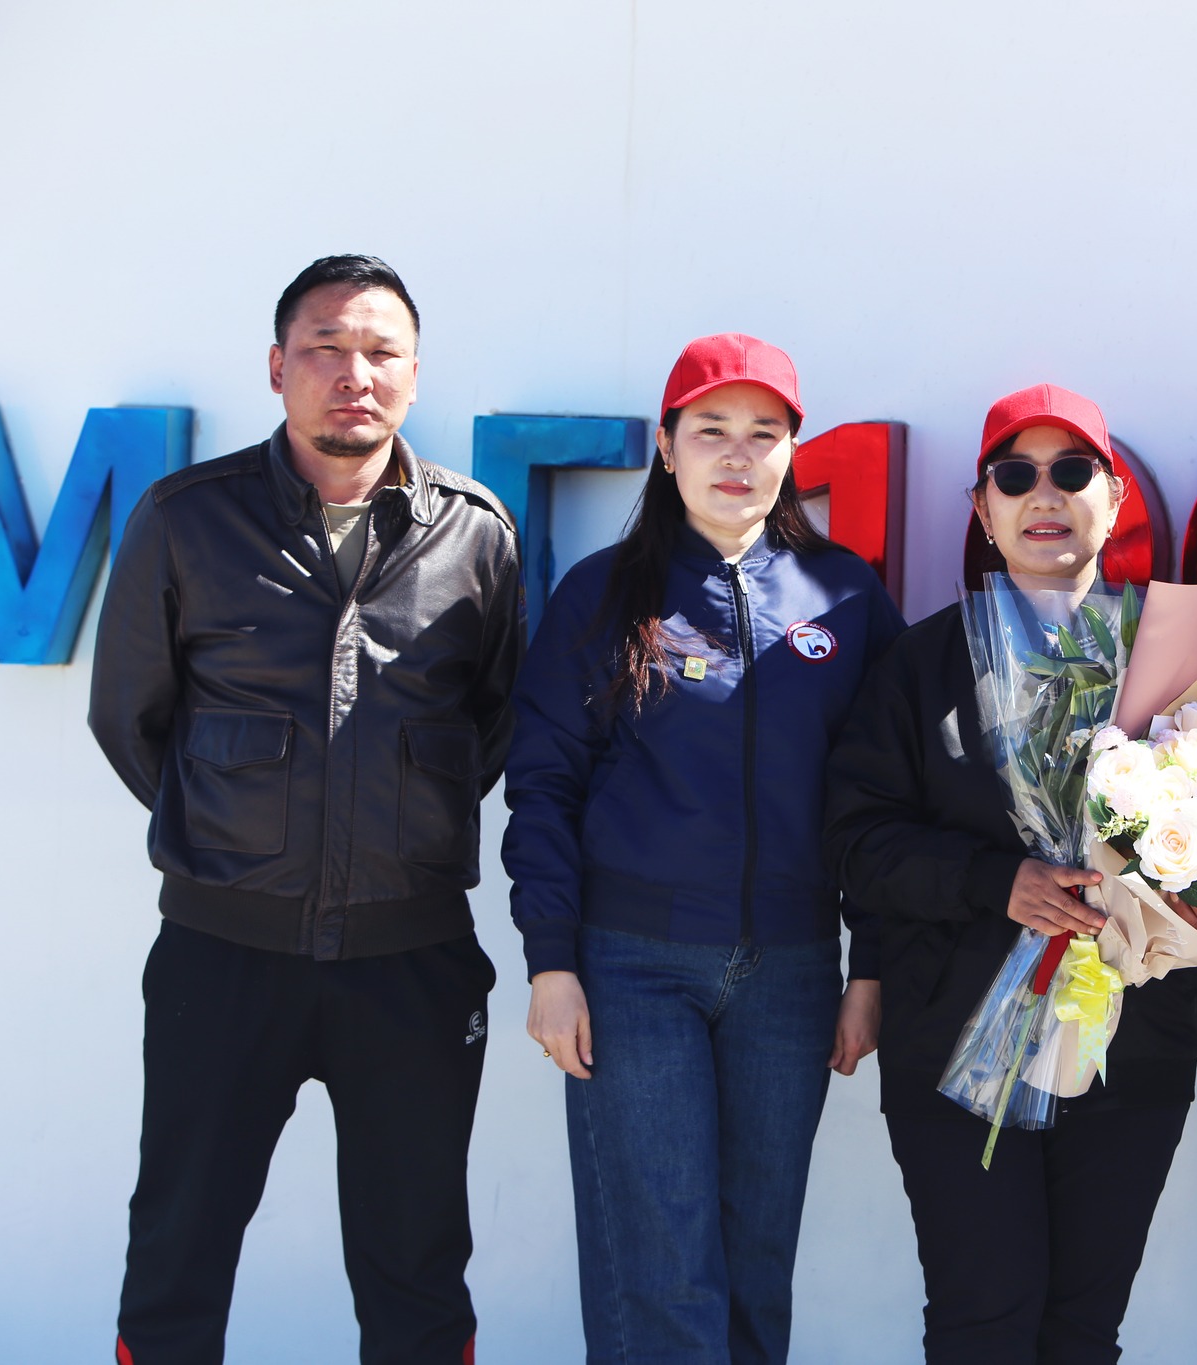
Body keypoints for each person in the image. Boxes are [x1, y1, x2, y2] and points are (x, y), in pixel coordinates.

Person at [88, 255, 521, 1364]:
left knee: (417, 1261)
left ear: (414, 374)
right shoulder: (186, 519)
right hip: (223, 954)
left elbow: (491, 725)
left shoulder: (476, 532)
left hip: (411, 959)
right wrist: (241, 836)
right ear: (278, 367)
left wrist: (391, 830)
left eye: (380, 352)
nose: (353, 374)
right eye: (325, 347)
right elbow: (130, 718)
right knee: (179, 1247)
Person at [822, 384, 1197, 1365]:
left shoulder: (1184, 664)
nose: (1045, 494)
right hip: (954, 1041)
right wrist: (997, 880)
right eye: (1015, 475)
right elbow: (859, 839)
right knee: (984, 1319)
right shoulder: (921, 665)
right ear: (982, 508)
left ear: (1114, 499)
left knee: (1081, 1331)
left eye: (1072, 472)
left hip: (1128, 1048)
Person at [502, 333, 902, 1364]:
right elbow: (543, 785)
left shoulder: (846, 598)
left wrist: (870, 969)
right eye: (711, 429)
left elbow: (885, 801)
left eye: (763, 433)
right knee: (663, 1274)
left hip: (793, 972)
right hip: (632, 967)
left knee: (756, 1270)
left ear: (792, 452)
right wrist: (551, 962)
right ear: (666, 447)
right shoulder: (602, 594)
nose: (736, 454)